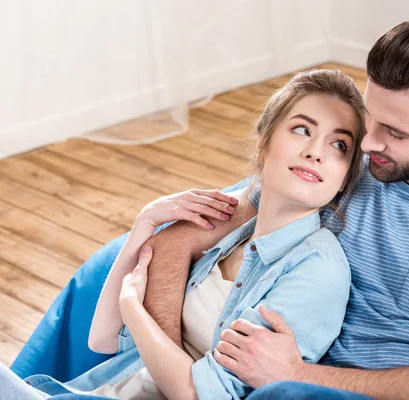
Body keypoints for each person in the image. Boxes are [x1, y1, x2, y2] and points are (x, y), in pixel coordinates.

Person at [141, 20, 409, 400]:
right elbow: (178, 240)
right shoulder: (342, 169)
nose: (368, 142)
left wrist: (296, 374)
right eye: (370, 117)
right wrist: (173, 370)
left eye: (394, 132)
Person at [0, 69, 369, 399]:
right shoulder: (228, 238)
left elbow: (201, 395)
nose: (315, 152)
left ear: (344, 178)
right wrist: (145, 223)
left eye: (340, 145)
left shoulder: (317, 269)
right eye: (302, 129)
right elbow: (103, 339)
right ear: (265, 141)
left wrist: (134, 308)